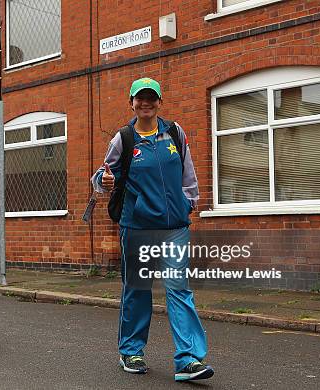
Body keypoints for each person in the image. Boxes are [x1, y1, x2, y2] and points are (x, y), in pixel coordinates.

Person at [91, 78, 214, 381]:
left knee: (178, 289)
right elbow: (102, 175)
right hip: (138, 227)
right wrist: (103, 181)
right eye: (140, 99)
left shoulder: (174, 132)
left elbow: (188, 170)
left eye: (151, 99)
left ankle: (189, 360)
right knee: (138, 290)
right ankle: (131, 350)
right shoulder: (124, 138)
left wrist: (189, 202)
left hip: (174, 226)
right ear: (131, 102)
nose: (146, 104)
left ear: (160, 101)